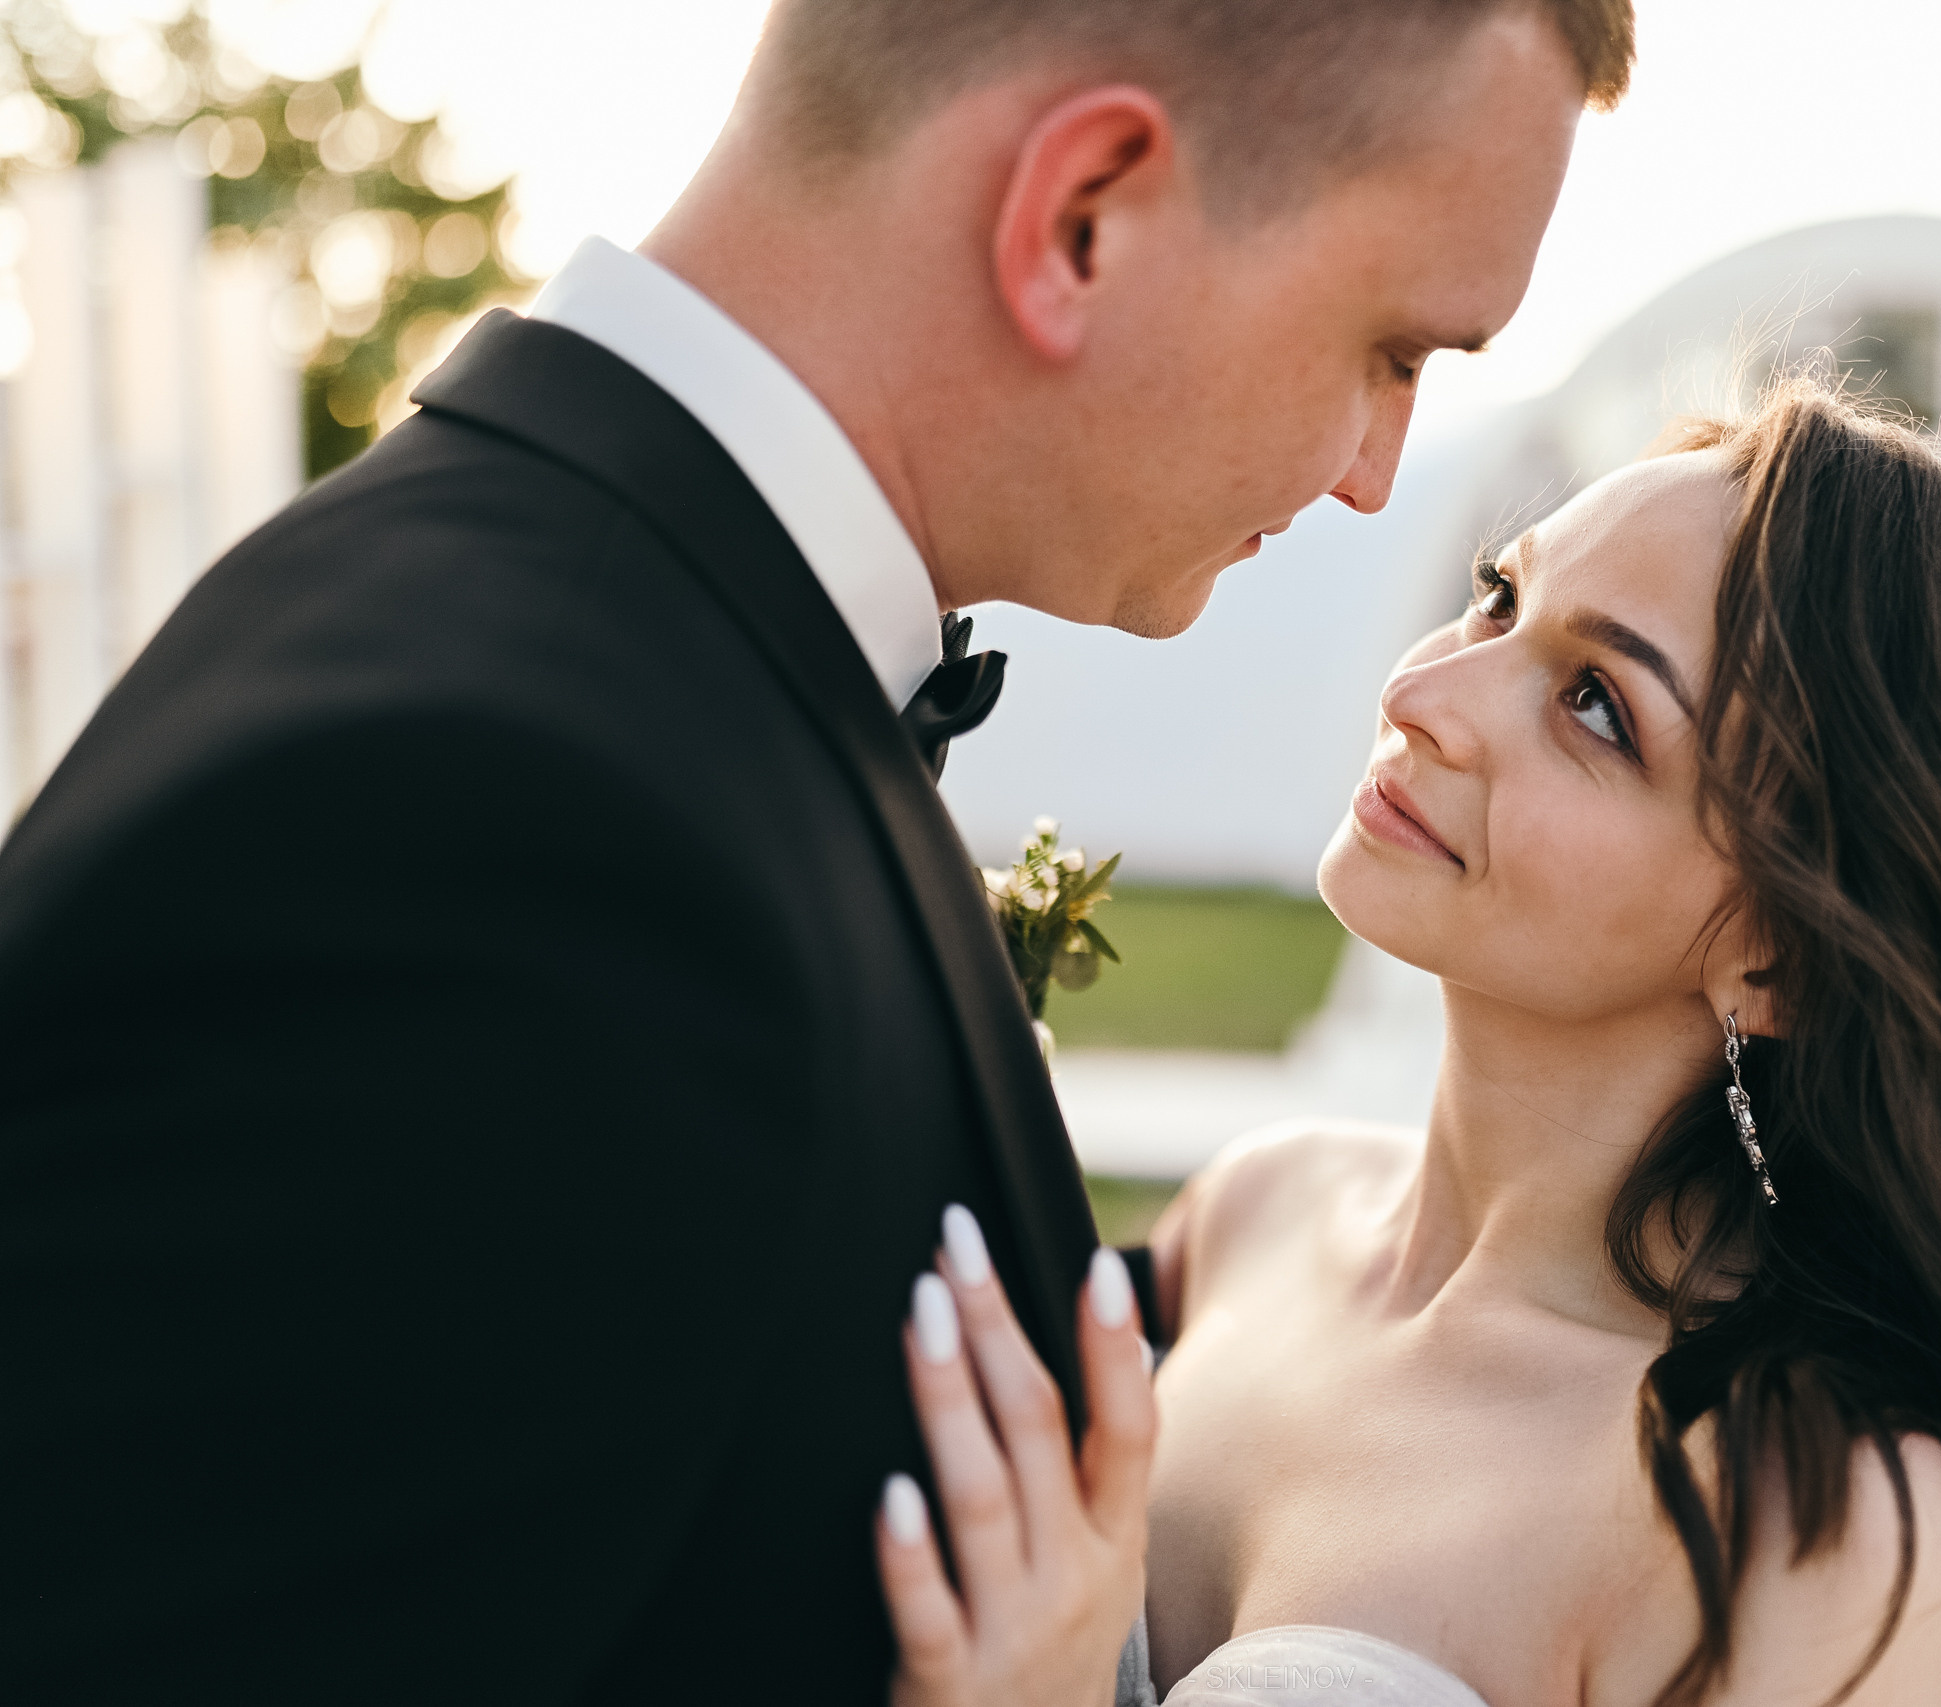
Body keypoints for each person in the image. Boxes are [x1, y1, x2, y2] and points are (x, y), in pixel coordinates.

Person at [0, 2, 1633, 1701]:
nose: (1373, 474)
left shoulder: (603, 668)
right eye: (1392, 350)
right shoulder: (504, 830)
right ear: (1084, 215)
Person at [885, 380, 1941, 1705]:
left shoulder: (1803, 1533)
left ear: (1781, 952)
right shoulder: (1253, 1218)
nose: (1424, 692)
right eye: (1497, 599)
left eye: (1596, 704)